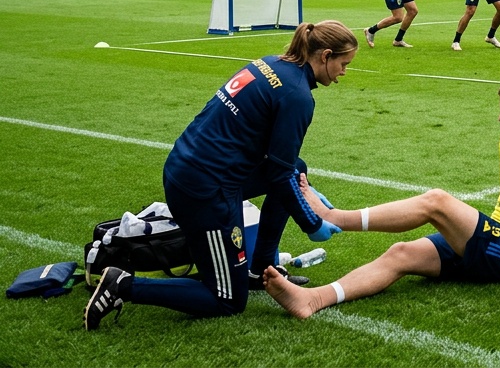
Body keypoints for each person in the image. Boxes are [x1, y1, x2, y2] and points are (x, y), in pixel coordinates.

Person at [262, 76, 500, 318]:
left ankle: (338, 218)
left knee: (437, 202)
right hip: (499, 234)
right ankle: (311, 300)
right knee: (401, 253)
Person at [84, 21, 357, 330]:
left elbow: (282, 165)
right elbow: (279, 175)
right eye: (343, 64)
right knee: (227, 300)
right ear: (325, 56)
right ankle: (122, 285)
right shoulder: (298, 97)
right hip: (205, 191)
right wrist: (313, 223)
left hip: (188, 167)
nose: (344, 72)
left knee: (298, 169)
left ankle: (260, 268)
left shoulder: (270, 64)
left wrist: (303, 189)